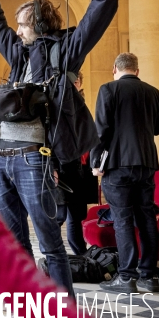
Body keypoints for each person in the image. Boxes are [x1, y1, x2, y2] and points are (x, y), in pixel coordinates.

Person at [0, 0, 118, 296]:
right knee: (14, 241)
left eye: (23, 24)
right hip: (2, 158)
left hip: (32, 158)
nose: (18, 31)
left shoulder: (65, 49)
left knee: (50, 243)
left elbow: (104, 5)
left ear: (40, 24)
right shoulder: (18, 52)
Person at [91, 52, 159, 293]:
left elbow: (101, 131)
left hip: (118, 163)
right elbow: (157, 129)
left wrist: (95, 161)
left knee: (122, 220)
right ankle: (149, 277)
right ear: (137, 70)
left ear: (114, 69)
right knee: (147, 218)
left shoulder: (108, 90)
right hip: (147, 163)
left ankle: (126, 278)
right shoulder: (154, 92)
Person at [56, 71, 99, 255]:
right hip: (63, 169)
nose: (72, 85)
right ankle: (54, 255)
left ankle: (81, 255)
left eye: (75, 82)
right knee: (58, 215)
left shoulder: (81, 104)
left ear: (79, 83)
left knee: (76, 217)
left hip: (81, 169)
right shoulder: (57, 104)